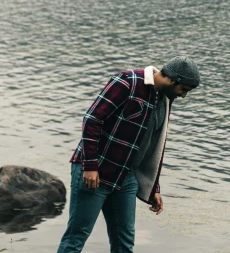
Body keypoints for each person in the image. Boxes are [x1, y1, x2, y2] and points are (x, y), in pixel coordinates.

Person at [56, 56, 201, 253]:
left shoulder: (165, 99)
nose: (183, 95)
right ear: (173, 79)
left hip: (126, 179)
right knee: (76, 238)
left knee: (124, 243)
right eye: (183, 89)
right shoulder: (127, 82)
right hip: (96, 173)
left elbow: (153, 145)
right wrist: (90, 166)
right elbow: (92, 119)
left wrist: (153, 187)